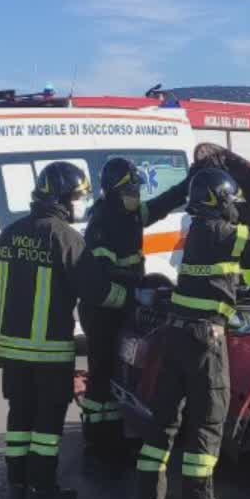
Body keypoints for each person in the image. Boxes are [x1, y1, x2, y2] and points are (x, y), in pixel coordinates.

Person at [134, 145, 250, 499]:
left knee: (166, 419)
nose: (235, 204)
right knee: (208, 418)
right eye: (232, 199)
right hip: (205, 339)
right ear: (220, 200)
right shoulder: (221, 232)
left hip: (177, 335)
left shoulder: (198, 230)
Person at [0, 161, 89, 499]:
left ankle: (16, 485)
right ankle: (43, 489)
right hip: (51, 352)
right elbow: (93, 290)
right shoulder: (66, 238)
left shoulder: (9, 235)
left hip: (12, 351)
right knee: (47, 423)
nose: (79, 203)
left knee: (19, 418)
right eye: (76, 196)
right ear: (62, 197)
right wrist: (128, 297)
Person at [76, 156, 189, 465]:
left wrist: (192, 180)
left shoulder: (131, 214)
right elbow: (103, 270)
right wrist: (138, 286)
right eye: (133, 188)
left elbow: (163, 203)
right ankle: (99, 441)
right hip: (102, 310)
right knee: (102, 374)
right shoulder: (102, 221)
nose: (138, 194)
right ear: (116, 190)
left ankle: (115, 433)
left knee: (120, 371)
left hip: (123, 305)